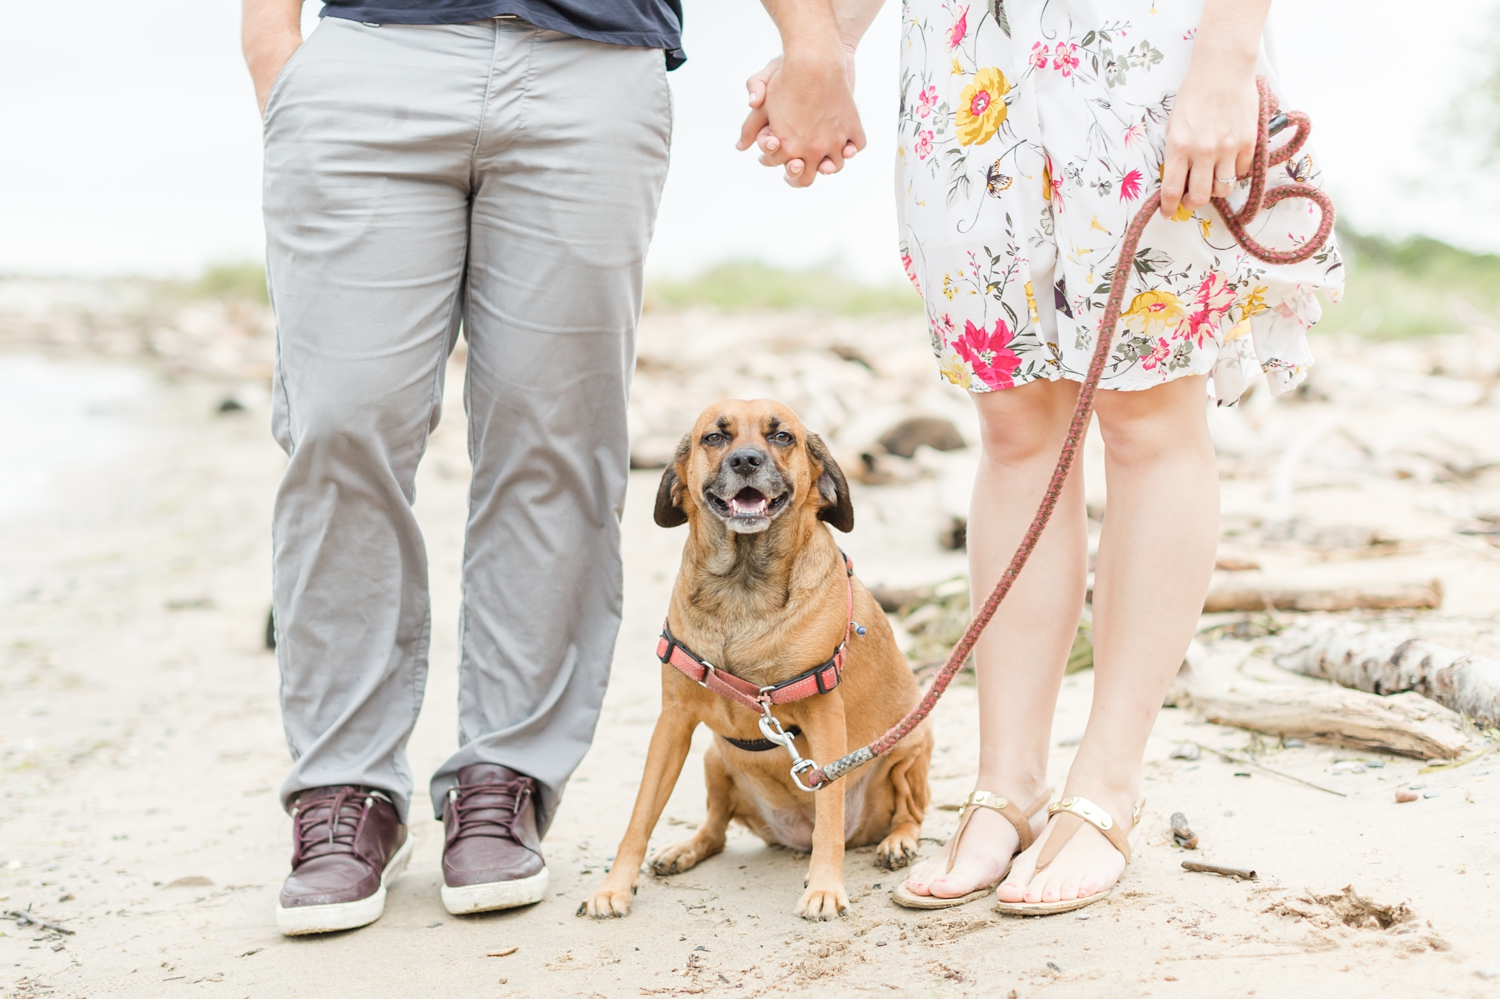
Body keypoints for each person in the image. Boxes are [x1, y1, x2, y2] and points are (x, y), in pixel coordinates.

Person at [747, 0, 1341, 912]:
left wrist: (1227, 55)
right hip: (964, 58)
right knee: (1013, 423)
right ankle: (1007, 784)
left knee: (1145, 413)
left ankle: (1107, 785)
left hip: (1143, 45)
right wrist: (827, 50)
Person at [241, 0, 694, 936]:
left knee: (556, 439)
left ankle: (507, 776)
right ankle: (343, 789)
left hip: (594, 62)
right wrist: (274, 53)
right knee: (340, 426)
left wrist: (813, 42)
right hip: (370, 58)